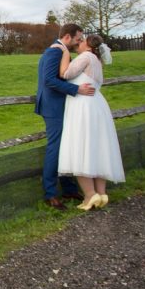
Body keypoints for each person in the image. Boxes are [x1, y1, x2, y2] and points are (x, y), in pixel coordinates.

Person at [57, 34, 125, 210]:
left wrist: (65, 53)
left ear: (89, 45)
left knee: (81, 147)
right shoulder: (97, 60)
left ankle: (89, 195)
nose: (79, 42)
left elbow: (65, 74)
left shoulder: (86, 57)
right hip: (98, 106)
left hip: (83, 106)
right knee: (97, 148)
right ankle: (101, 193)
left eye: (82, 40)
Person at [35, 23, 95, 210]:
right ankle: (50, 194)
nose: (79, 42)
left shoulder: (63, 52)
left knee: (67, 146)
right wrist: (76, 89)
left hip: (63, 106)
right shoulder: (55, 52)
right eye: (78, 39)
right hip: (53, 107)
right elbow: (49, 80)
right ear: (67, 37)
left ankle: (69, 188)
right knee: (55, 147)